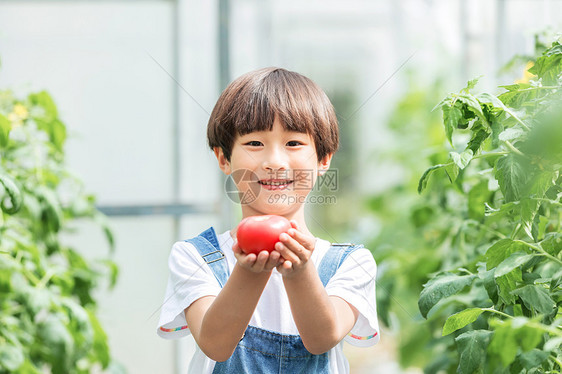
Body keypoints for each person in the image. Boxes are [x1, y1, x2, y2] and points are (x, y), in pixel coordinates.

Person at [157, 67, 379, 373]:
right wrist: (248, 272)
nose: (274, 161)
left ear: (323, 159)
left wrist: (299, 271)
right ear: (224, 158)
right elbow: (215, 343)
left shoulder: (350, 263)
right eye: (254, 144)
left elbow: (322, 338)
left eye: (293, 144)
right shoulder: (196, 257)